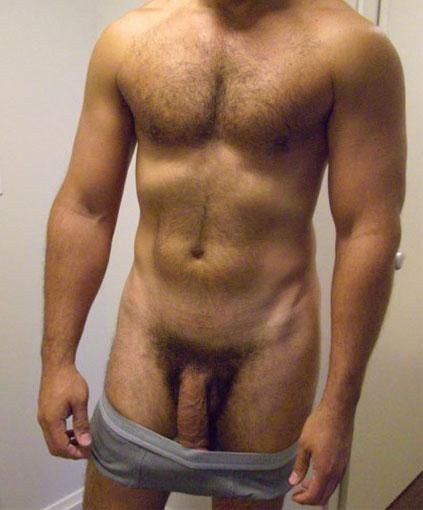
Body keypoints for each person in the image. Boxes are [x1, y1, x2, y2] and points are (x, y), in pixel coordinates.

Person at [37, 0, 406, 508]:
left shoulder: (352, 48)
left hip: (268, 357)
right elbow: (85, 209)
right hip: (145, 346)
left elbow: (368, 230)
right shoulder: (129, 41)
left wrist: (339, 407)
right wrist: (57, 361)